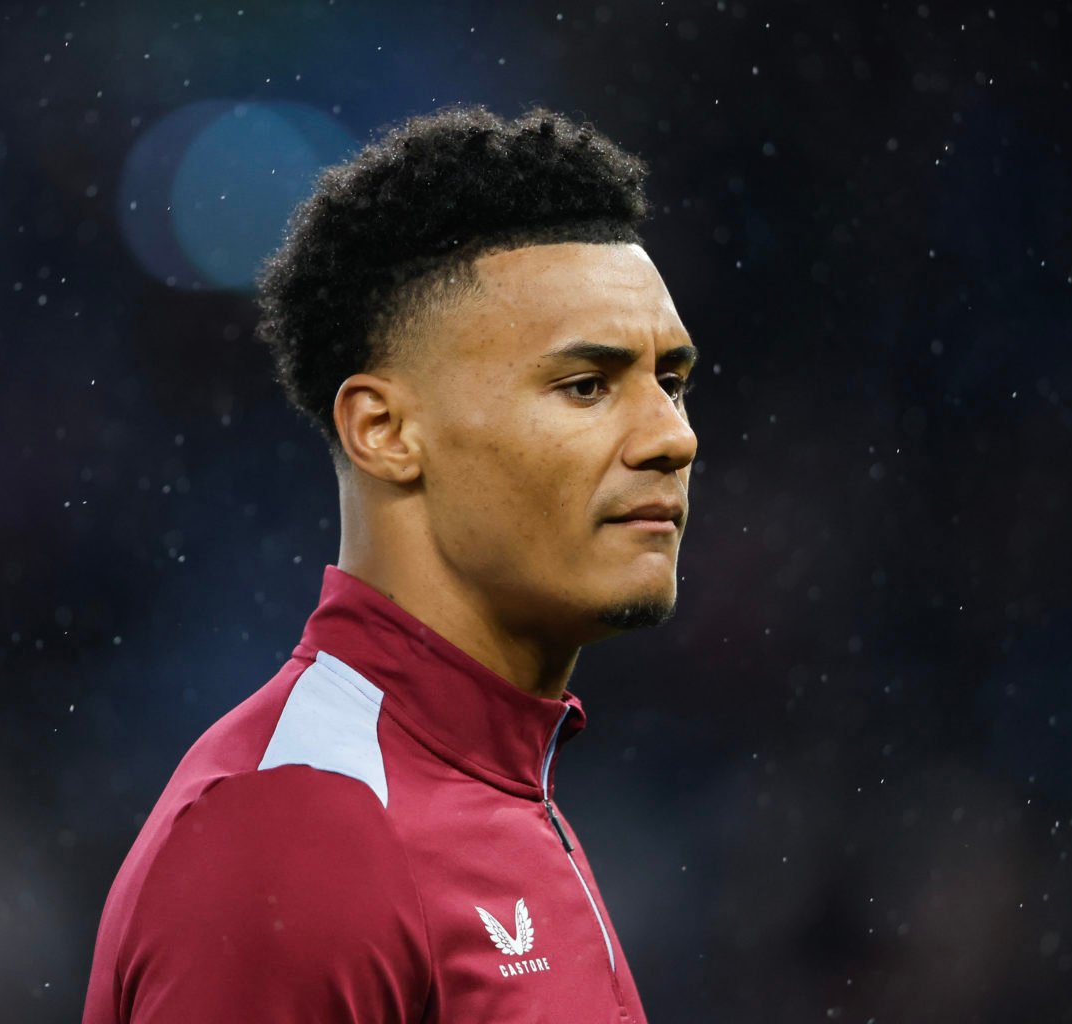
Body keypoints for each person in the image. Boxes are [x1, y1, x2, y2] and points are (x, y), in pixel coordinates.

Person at [82, 104, 698, 1023]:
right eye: (586, 386)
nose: (671, 437)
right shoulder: (300, 829)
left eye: (673, 382)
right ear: (385, 431)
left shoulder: (486, 783)